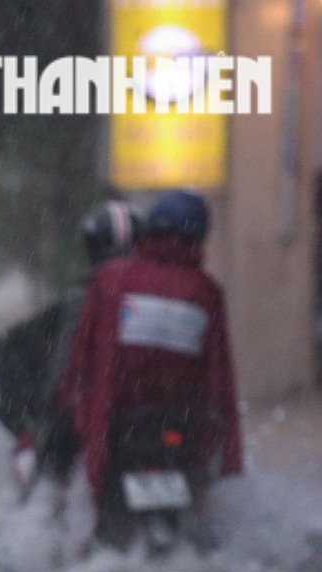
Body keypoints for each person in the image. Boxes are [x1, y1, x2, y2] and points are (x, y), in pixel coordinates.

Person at [55, 189, 242, 550]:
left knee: (89, 522)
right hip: (180, 428)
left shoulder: (110, 280)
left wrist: (74, 405)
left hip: (119, 424)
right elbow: (218, 375)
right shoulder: (207, 292)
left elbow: (82, 358)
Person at [0, 201, 142, 500]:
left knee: (43, 492)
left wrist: (29, 420)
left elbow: (9, 353)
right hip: (138, 420)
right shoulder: (175, 296)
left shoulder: (75, 304)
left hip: (91, 421)